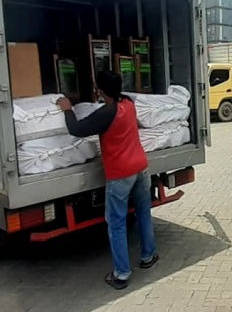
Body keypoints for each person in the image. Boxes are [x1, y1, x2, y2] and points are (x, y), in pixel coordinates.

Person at [57, 71, 159, 290]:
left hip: (121, 174)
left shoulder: (106, 113)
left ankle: (121, 274)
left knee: (117, 223)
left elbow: (76, 129)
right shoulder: (128, 102)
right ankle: (148, 256)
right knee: (143, 212)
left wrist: (67, 109)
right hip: (141, 167)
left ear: (100, 90)